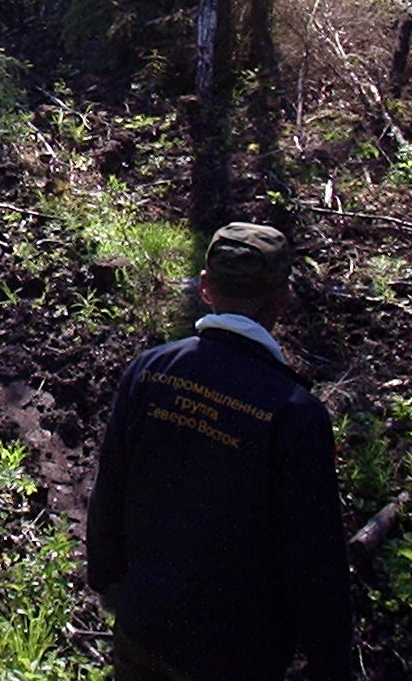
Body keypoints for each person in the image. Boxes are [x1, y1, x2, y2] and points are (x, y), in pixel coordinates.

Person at [87, 222, 354, 681]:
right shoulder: (294, 414)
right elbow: (315, 558)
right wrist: (331, 662)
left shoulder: (149, 371)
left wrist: (113, 588)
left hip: (144, 627)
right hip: (236, 656)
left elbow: (108, 490)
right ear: (282, 299)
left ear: (206, 288)